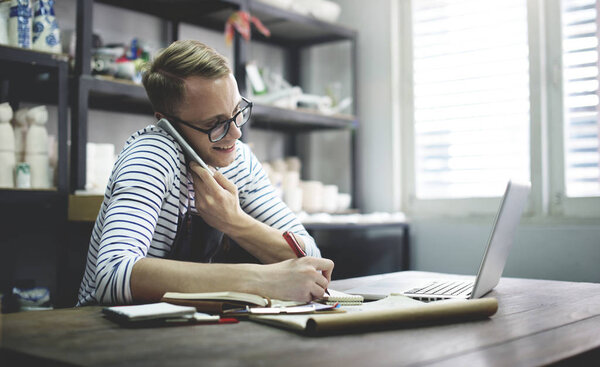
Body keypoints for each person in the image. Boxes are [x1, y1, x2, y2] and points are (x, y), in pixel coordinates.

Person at [76, 40, 334, 306]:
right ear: (167, 123)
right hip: (106, 331)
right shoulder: (151, 155)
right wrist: (259, 280)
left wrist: (234, 221)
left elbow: (313, 260)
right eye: (214, 124)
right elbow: (112, 275)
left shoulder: (239, 161)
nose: (236, 133)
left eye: (237, 113)